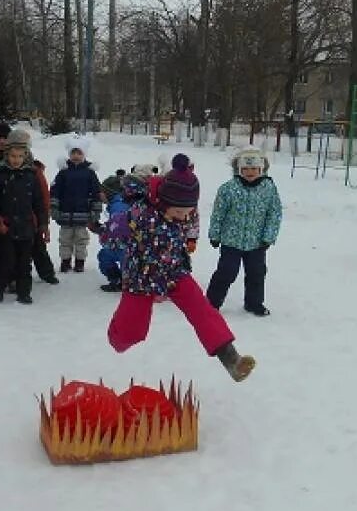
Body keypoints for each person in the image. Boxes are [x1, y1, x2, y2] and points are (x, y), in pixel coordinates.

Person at [106, 154, 256, 382]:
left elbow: (189, 223)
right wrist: (108, 235)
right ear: (162, 203)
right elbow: (114, 232)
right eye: (178, 213)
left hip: (175, 272)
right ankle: (117, 338)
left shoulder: (185, 209)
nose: (184, 217)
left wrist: (191, 238)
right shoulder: (140, 214)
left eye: (188, 212)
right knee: (132, 331)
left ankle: (232, 360)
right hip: (142, 278)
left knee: (203, 311)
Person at [206, 147, 283, 316]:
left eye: (254, 169)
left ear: (261, 170)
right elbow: (218, 213)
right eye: (245, 169)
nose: (250, 172)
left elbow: (274, 213)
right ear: (238, 169)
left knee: (256, 274)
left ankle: (254, 303)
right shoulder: (228, 189)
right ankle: (211, 303)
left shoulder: (268, 189)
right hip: (230, 242)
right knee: (226, 272)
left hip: (257, 243)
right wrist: (215, 234)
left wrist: (269, 237)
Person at [0, 131, 44, 304]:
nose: (16, 160)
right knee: (6, 261)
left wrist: (42, 224)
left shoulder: (31, 176)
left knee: (25, 263)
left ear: (25, 156)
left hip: (26, 227)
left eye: (20, 156)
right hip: (6, 227)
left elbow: (39, 202)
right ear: (7, 155)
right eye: (13, 156)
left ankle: (24, 292)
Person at [49, 136, 103, 273]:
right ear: (69, 154)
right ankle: (65, 261)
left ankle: (80, 262)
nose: (76, 156)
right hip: (65, 214)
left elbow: (96, 192)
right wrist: (54, 207)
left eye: (79, 153)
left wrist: (95, 211)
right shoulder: (63, 172)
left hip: (82, 214)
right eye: (73, 153)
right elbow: (55, 191)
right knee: (65, 240)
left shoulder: (90, 173)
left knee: (81, 240)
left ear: (84, 155)